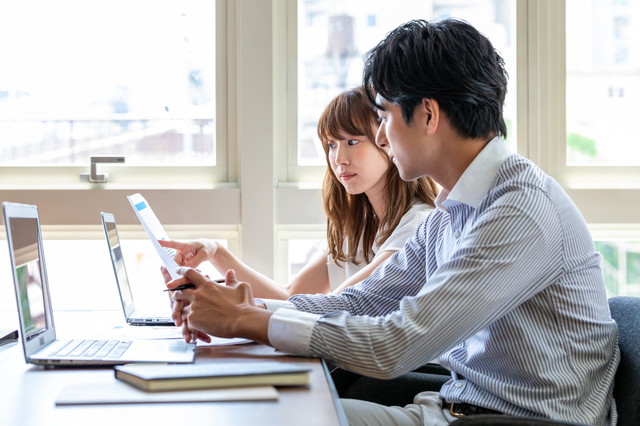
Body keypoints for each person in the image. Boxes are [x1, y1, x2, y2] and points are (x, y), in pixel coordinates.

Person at [165, 19, 619, 426]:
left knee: (278, 415)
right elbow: (365, 301)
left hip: (512, 421)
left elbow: (397, 342)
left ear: (427, 114)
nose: (380, 136)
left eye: (382, 116)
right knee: (268, 408)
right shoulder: (453, 208)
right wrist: (240, 307)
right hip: (453, 406)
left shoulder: (517, 211)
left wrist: (246, 320)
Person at [160, 87, 439, 299]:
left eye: (352, 141)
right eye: (331, 145)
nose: (339, 158)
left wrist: (215, 295)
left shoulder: (417, 224)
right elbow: (290, 294)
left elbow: (337, 306)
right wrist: (216, 252)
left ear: (386, 141)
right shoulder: (358, 227)